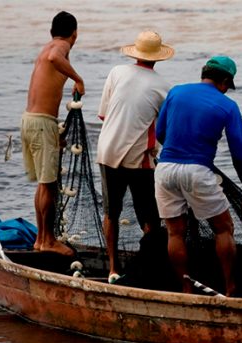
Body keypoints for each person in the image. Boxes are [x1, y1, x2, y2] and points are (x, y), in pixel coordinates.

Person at [154, 56, 242, 296]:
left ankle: (186, 288)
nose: (226, 90)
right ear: (224, 81)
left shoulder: (176, 92)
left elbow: (160, 132)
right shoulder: (227, 105)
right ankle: (230, 287)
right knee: (224, 229)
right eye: (227, 85)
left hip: (165, 167)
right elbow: (240, 154)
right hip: (198, 171)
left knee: (175, 232)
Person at [96, 30, 175, 283]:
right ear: (158, 57)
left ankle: (112, 268)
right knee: (149, 216)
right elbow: (164, 130)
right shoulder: (164, 87)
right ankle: (150, 267)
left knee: (111, 212)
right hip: (138, 158)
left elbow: (105, 115)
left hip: (107, 150)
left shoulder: (116, 72)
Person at [21, 11, 84, 257]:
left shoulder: (47, 45)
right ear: (74, 34)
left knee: (45, 184)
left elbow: (50, 59)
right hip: (40, 123)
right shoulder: (60, 46)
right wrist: (78, 79)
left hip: (31, 120)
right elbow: (54, 57)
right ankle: (48, 240)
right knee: (49, 184)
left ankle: (41, 239)